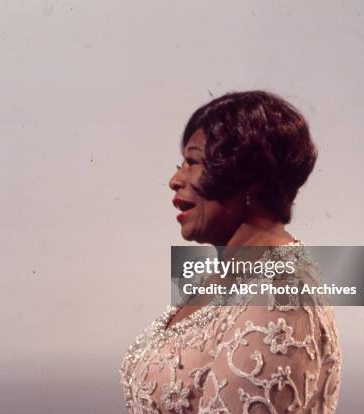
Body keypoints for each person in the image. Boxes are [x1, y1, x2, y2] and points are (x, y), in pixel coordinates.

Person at [120, 91, 341, 413]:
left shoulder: (279, 293)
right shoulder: (233, 280)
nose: (174, 180)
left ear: (246, 176)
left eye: (193, 162)